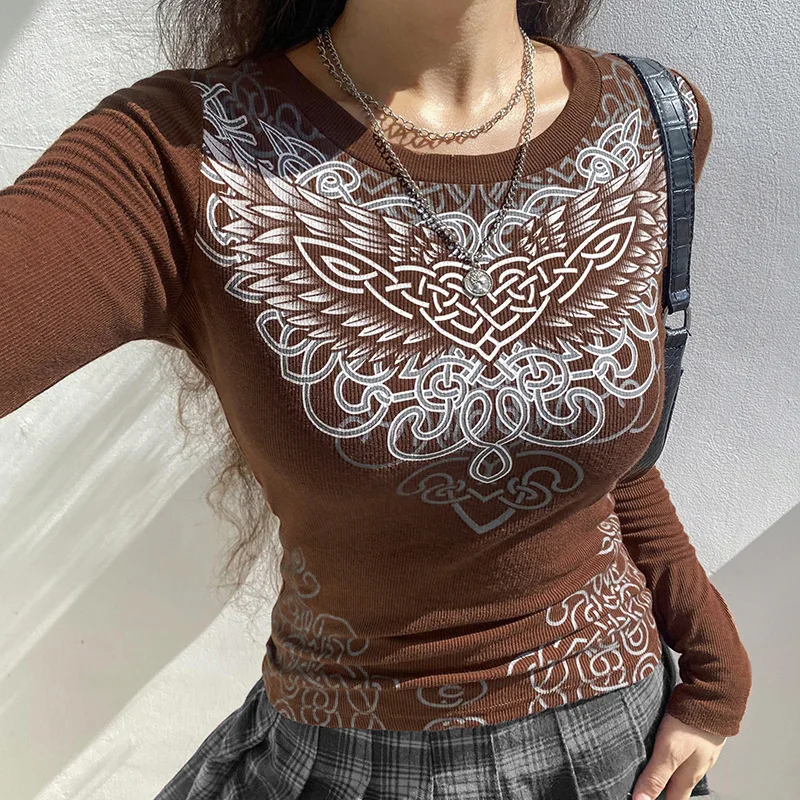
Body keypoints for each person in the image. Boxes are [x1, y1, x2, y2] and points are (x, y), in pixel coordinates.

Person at [0, 0, 752, 798]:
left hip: (619, 743)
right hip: (355, 761)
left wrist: (715, 667)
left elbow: (597, 448)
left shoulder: (653, 121)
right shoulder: (185, 154)